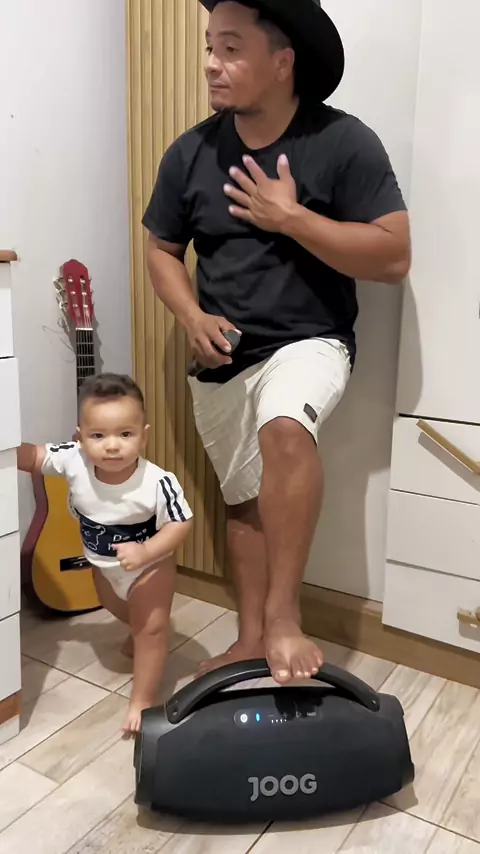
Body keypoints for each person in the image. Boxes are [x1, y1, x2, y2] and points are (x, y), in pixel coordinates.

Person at [143, 0, 411, 684]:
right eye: (210, 46)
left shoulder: (343, 141)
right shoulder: (190, 152)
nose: (212, 63)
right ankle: (253, 638)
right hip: (221, 358)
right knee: (243, 502)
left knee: (285, 429)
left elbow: (393, 254)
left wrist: (291, 218)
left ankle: (286, 617)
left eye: (231, 49)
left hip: (309, 341)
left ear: (283, 61)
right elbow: (161, 250)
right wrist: (190, 317)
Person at [17, 373, 193, 733]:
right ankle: (139, 629)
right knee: (114, 605)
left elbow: (181, 523)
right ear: (80, 438)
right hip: (102, 565)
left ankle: (142, 699)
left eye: (125, 434)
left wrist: (146, 551)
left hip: (150, 567)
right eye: (98, 436)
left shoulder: (158, 482)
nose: (112, 446)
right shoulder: (73, 459)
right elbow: (32, 456)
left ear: (144, 435)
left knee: (152, 628)